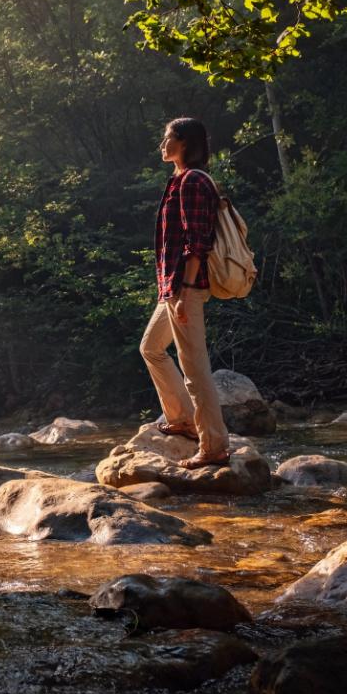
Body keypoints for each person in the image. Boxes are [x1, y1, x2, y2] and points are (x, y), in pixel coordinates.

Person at [139, 117, 230, 469]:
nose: (163, 145)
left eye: (168, 139)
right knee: (150, 347)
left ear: (186, 144)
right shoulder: (178, 180)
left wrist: (184, 290)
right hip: (173, 287)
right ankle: (184, 419)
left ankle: (214, 446)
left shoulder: (192, 181)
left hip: (185, 287)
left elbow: (197, 242)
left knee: (195, 368)